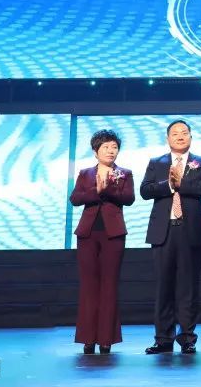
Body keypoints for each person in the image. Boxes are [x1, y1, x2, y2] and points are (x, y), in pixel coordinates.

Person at [140, 119, 201, 354]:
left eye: (184, 132)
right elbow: (145, 190)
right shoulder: (156, 163)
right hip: (163, 231)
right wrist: (169, 186)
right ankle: (163, 339)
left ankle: (187, 338)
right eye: (175, 133)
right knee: (164, 287)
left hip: (191, 231)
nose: (180, 136)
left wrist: (182, 183)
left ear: (191, 137)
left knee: (188, 287)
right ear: (168, 138)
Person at [69, 129, 135, 354]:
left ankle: (106, 338)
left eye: (114, 147)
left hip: (113, 234)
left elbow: (129, 198)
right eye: (106, 147)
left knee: (109, 285)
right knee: (89, 286)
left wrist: (108, 190)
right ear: (95, 151)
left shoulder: (124, 173)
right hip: (87, 234)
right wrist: (95, 190)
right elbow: (75, 198)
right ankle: (88, 338)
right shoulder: (85, 173)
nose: (111, 151)